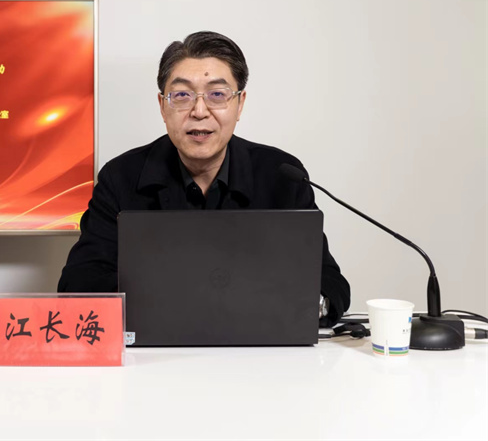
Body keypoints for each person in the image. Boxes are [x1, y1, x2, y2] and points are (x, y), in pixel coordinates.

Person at [57, 31, 350, 327]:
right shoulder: (121, 177)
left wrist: (307, 306)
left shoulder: (282, 175)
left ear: (240, 104)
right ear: (162, 106)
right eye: (182, 95)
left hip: (257, 348)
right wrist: (184, 303)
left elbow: (329, 283)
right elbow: (78, 284)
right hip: (157, 348)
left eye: (217, 95)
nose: (199, 111)